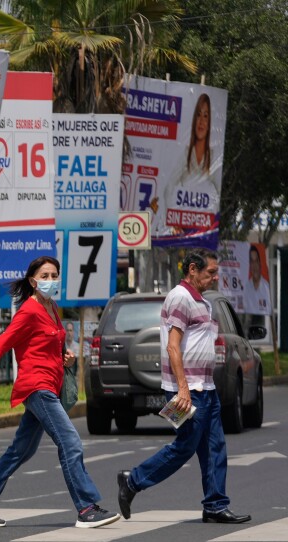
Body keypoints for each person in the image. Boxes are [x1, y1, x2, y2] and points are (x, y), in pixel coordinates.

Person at [0, 256, 120, 529]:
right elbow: (0, 345)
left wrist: (65, 358)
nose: (50, 280)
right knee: (70, 442)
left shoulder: (52, 308)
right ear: (33, 281)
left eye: (54, 275)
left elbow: (51, 345)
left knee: (21, 450)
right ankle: (86, 509)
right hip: (37, 387)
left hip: (50, 386)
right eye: (44, 276)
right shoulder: (29, 311)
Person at [117, 249, 251, 524]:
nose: (215, 278)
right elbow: (172, 346)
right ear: (192, 269)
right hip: (186, 390)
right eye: (210, 272)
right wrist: (182, 389)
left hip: (206, 388)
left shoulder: (203, 302)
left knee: (215, 447)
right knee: (184, 446)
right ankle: (132, 481)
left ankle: (215, 505)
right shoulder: (180, 298)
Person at [153, 94, 219, 236]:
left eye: (206, 116)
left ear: (209, 123)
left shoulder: (213, 157)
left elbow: (219, 191)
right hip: (184, 226)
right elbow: (168, 188)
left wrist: (212, 219)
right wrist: (174, 222)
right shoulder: (185, 155)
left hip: (203, 228)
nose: (201, 121)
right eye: (198, 115)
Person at [243, 244, 270, 315]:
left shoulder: (266, 287)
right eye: (252, 261)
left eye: (256, 261)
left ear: (260, 263)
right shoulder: (246, 288)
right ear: (249, 264)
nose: (254, 265)